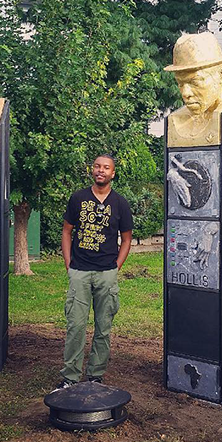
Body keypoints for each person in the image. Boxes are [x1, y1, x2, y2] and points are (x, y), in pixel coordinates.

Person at [57, 154, 133, 390]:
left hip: (106, 274)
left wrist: (116, 266)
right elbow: (67, 231)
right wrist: (69, 264)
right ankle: (70, 377)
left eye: (106, 167)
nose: (101, 170)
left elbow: (127, 239)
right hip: (80, 272)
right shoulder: (78, 198)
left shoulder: (120, 203)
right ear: (93, 170)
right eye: (98, 166)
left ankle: (95, 376)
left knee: (103, 327)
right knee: (76, 326)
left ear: (113, 173)